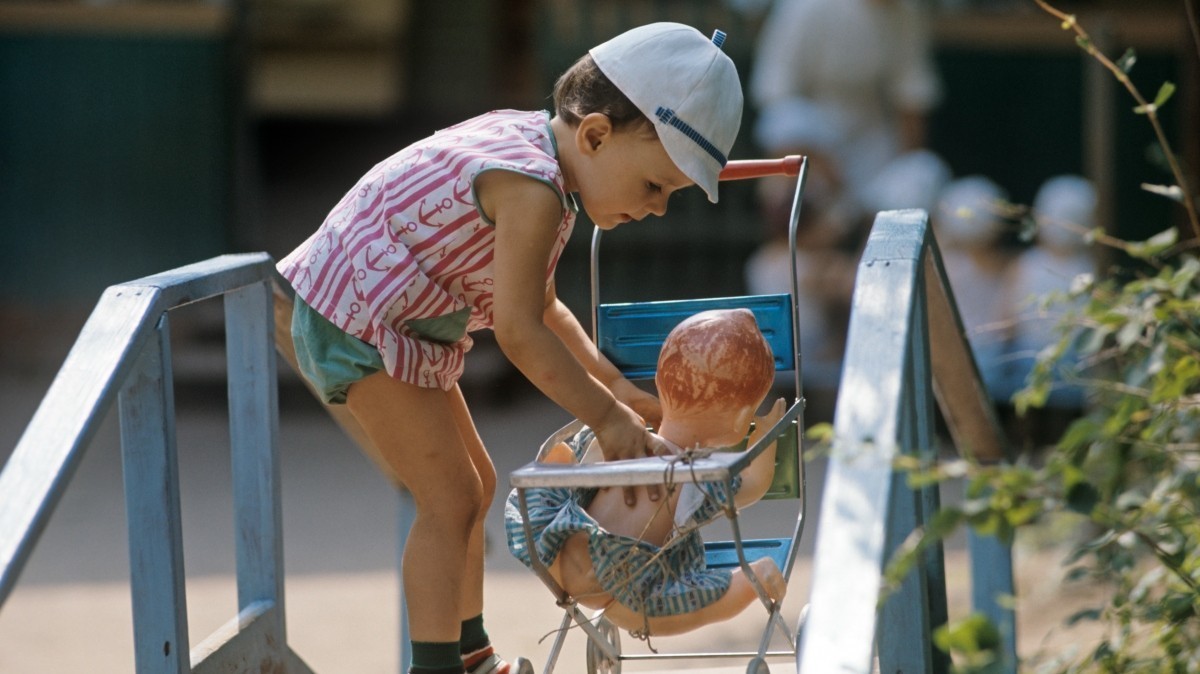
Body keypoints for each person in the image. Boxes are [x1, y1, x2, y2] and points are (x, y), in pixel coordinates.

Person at [275, 22, 744, 674]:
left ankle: (471, 655)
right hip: (355, 313)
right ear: (597, 135)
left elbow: (546, 309)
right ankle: (437, 667)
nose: (659, 208)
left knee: (477, 485)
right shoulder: (532, 188)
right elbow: (520, 332)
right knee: (449, 499)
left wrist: (617, 388)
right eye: (654, 186)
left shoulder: (541, 159)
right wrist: (607, 420)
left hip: (396, 315)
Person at [505, 308, 789, 637]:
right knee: (685, 605)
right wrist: (766, 438)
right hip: (623, 585)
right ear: (739, 421)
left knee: (569, 467)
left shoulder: (617, 437)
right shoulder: (696, 476)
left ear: (659, 382)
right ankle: (754, 578)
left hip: (560, 556)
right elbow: (753, 485)